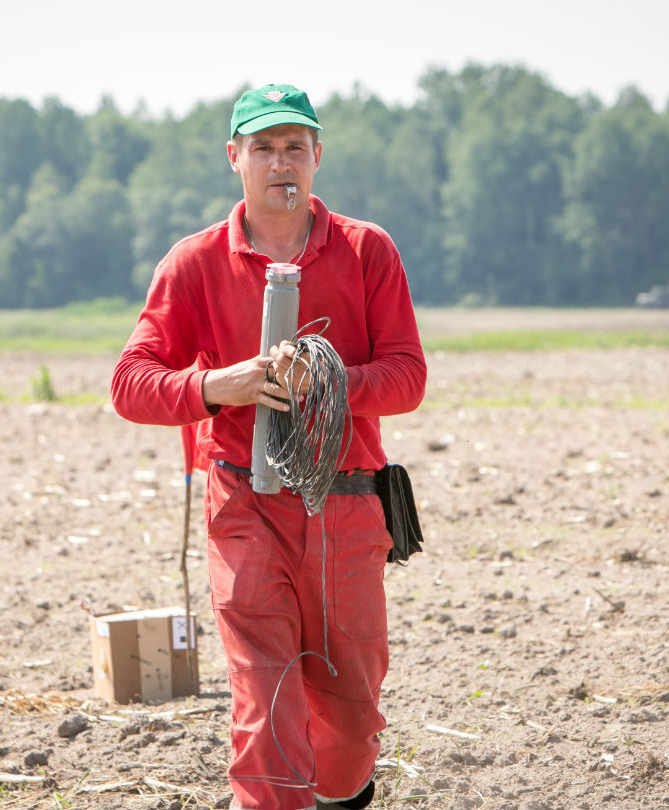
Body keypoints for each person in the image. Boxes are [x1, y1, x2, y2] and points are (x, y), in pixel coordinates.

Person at [111, 83, 426, 810]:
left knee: (348, 728)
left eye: (294, 146)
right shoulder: (193, 263)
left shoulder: (367, 249)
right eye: (263, 147)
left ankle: (343, 793)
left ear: (317, 156)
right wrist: (221, 386)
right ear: (235, 158)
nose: (279, 161)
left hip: (346, 506)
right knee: (267, 704)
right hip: (244, 503)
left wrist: (324, 379)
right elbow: (130, 384)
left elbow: (408, 377)